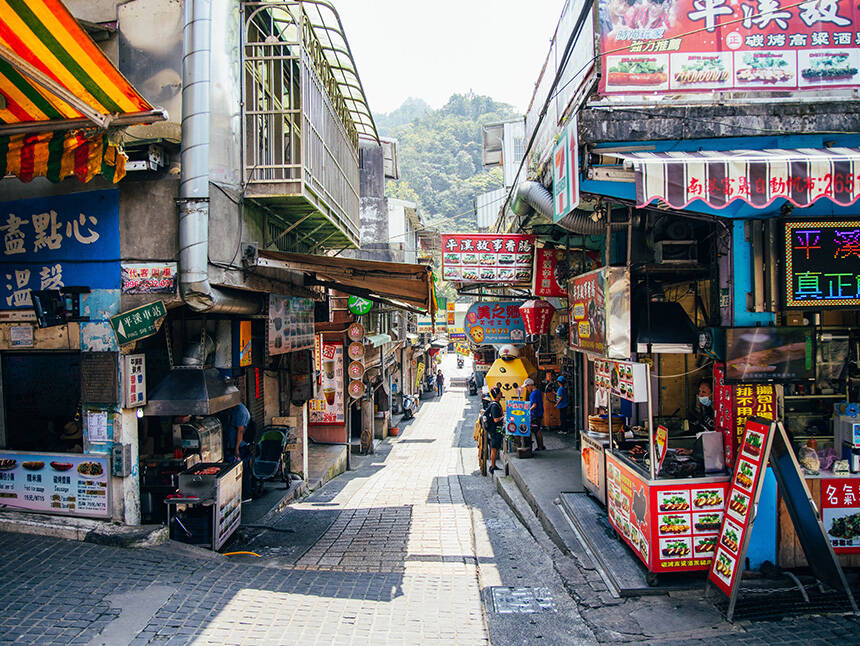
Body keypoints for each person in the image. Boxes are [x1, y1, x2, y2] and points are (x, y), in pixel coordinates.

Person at [486, 387, 505, 473]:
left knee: (495, 448)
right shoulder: (494, 406)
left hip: (496, 429)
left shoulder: (495, 404)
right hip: (495, 430)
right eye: (500, 392)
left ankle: (493, 465)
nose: (501, 393)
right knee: (494, 448)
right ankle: (492, 466)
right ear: (497, 395)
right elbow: (495, 420)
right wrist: (503, 417)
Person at [524, 378, 546, 451]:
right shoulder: (538, 391)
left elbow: (534, 405)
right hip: (539, 413)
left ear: (530, 385)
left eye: (527, 386)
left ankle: (540, 446)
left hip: (535, 414)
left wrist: (528, 411)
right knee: (538, 430)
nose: (526, 389)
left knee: (536, 430)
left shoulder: (533, 394)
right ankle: (541, 445)